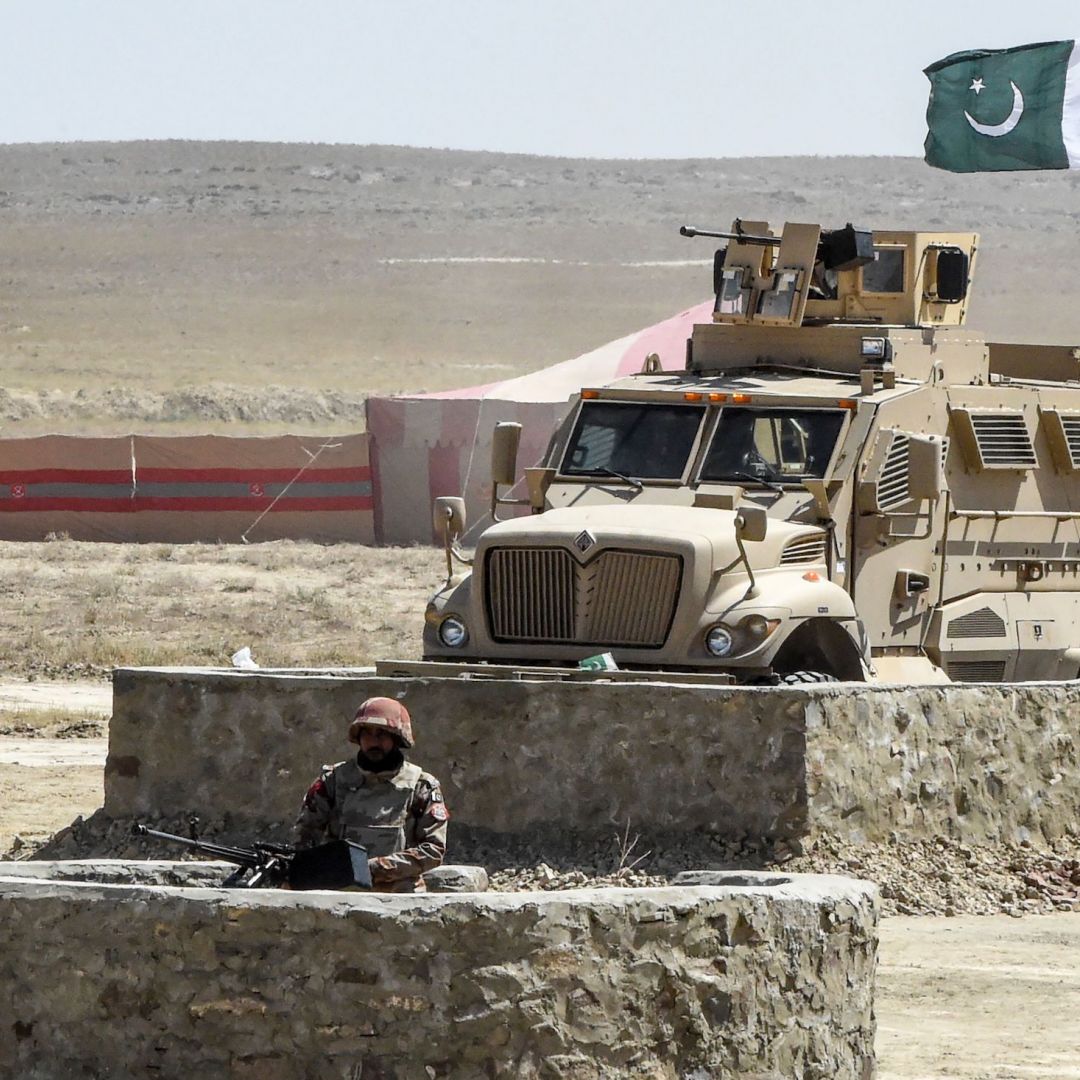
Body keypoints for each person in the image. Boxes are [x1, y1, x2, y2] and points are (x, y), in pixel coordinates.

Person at [293, 697, 448, 892]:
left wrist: (372, 868)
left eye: (382, 734)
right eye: (367, 734)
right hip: (338, 892)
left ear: (397, 739)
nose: (374, 742)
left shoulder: (421, 786)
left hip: (400, 896)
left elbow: (433, 851)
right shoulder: (333, 780)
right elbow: (305, 837)